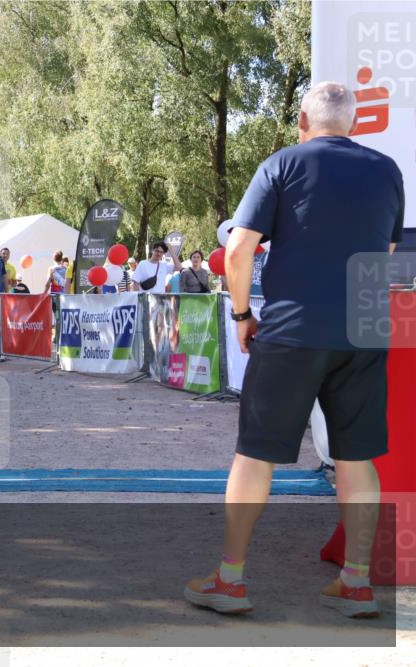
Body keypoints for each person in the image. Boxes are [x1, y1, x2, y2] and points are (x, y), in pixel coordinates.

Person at [184, 81, 404, 619]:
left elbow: (237, 248)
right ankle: (355, 583)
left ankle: (230, 580)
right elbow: (391, 254)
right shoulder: (388, 171)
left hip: (291, 330)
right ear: (352, 124)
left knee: (256, 454)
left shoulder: (281, 164)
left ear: (303, 121)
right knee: (357, 457)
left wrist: (241, 314)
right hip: (362, 329)